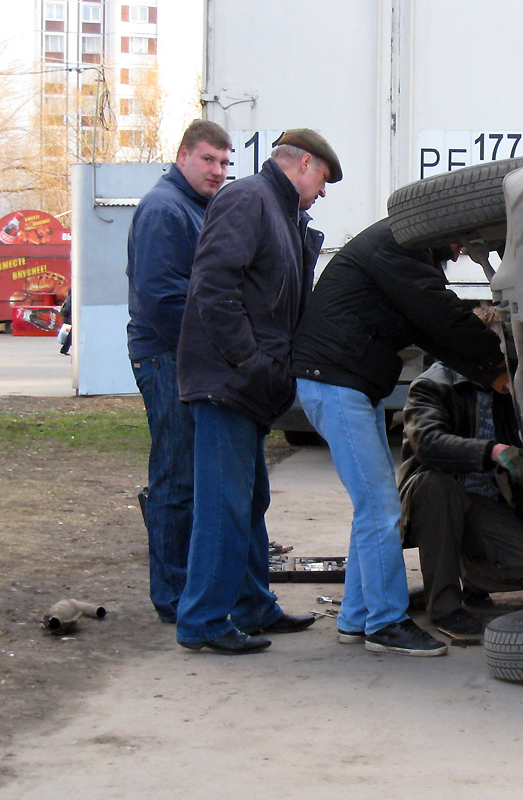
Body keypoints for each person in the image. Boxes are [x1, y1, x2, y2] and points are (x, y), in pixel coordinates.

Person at [290, 219, 508, 656]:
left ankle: (356, 617)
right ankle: (386, 623)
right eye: (462, 238)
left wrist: (487, 372)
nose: (463, 250)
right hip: (335, 382)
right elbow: (441, 315)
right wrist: (498, 365)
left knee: (371, 506)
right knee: (379, 507)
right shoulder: (400, 247)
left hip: (349, 381)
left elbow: (433, 332)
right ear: (440, 216)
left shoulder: (404, 252)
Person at [175, 128, 341, 655]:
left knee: (249, 500)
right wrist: (250, 360)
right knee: (223, 504)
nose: (325, 190)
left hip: (245, 383)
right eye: (324, 179)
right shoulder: (249, 198)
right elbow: (214, 285)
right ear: (304, 163)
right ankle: (203, 620)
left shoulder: (280, 211)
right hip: (228, 381)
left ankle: (250, 605)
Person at [125, 120, 231, 624]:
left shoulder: (196, 206)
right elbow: (162, 298)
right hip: (167, 358)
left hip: (181, 356)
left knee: (185, 473)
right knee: (175, 476)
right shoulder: (164, 209)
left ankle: (186, 587)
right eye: (209, 159)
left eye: (225, 162)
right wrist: (201, 354)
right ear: (183, 155)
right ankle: (172, 596)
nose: (218, 171)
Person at [398, 321, 523, 639]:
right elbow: (428, 444)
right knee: (437, 486)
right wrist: (493, 450)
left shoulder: (504, 389)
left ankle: (464, 573)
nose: (507, 362)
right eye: (502, 355)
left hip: (483, 501)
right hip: (437, 498)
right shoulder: (432, 384)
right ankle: (444, 608)